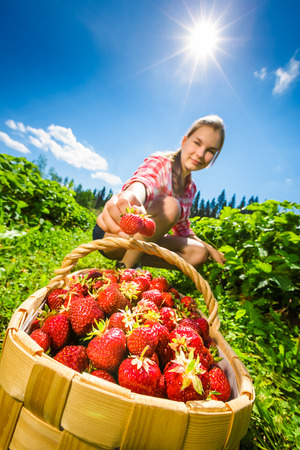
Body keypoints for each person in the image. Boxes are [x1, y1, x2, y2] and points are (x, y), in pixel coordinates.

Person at [93, 114, 226, 270]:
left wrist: (209, 249)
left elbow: (183, 229)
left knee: (198, 253)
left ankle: (133, 258)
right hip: (114, 233)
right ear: (184, 141)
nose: (200, 154)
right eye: (197, 143)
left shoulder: (191, 188)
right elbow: (144, 182)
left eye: (210, 151)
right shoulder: (161, 162)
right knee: (171, 206)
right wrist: (131, 195)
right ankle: (126, 268)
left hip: (141, 240)